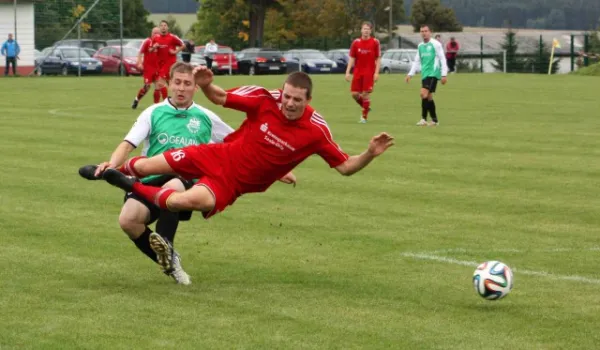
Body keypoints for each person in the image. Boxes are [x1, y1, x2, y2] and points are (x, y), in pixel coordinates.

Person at [99, 69, 394, 259]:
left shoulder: (316, 131)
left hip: (232, 183)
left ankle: (128, 184)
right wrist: (207, 84)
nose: (289, 104)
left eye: (296, 100)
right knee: (150, 165)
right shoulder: (264, 99)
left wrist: (368, 153)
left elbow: (344, 167)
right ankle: (113, 171)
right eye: (286, 97)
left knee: (184, 201)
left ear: (308, 100)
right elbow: (222, 97)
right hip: (218, 154)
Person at [79, 62, 234, 285]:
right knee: (128, 221)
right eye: (177, 83)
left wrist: (274, 171)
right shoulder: (153, 112)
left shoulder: (206, 117)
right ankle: (170, 261)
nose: (181, 88)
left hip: (185, 182)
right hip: (149, 181)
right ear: (169, 84)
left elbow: (240, 145)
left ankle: (166, 245)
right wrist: (111, 165)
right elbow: (128, 143)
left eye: (187, 84)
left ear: (196, 88)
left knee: (173, 185)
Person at [405, 24, 448, 127]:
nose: (424, 33)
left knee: (423, 94)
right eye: (422, 31)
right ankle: (434, 120)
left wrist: (444, 74)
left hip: (433, 73)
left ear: (430, 32)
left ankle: (423, 119)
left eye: (426, 31)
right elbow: (417, 61)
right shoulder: (420, 46)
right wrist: (410, 74)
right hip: (425, 74)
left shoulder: (435, 44)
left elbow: (442, 58)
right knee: (428, 97)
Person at [345, 22, 381, 124]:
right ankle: (366, 107)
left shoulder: (375, 42)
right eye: (364, 29)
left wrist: (376, 73)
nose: (366, 31)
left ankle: (364, 117)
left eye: (368, 29)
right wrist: (347, 72)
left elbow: (378, 58)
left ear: (370, 31)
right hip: (357, 72)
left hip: (369, 73)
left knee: (365, 94)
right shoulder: (356, 43)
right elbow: (352, 58)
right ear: (361, 30)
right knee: (354, 94)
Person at [153, 20, 185, 101]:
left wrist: (175, 51)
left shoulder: (172, 37)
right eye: (162, 25)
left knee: (160, 83)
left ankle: (165, 103)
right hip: (160, 64)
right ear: (159, 27)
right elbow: (151, 49)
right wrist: (154, 47)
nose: (163, 27)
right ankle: (177, 100)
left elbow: (183, 45)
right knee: (170, 86)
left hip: (169, 64)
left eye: (165, 25)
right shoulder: (156, 38)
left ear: (167, 27)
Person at [132, 27, 161, 109]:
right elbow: (140, 52)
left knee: (158, 86)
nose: (156, 35)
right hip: (148, 69)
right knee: (147, 87)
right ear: (151, 34)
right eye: (154, 33)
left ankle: (156, 105)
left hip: (157, 69)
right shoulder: (147, 41)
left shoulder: (160, 43)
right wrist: (139, 62)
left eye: (157, 33)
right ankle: (136, 99)